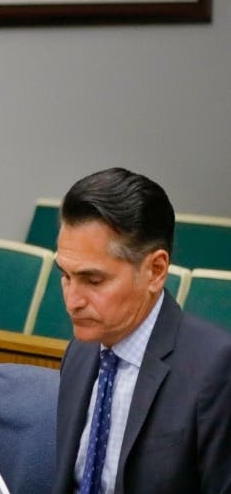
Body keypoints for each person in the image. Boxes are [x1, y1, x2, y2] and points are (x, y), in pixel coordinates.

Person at [52, 167, 231, 494]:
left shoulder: (216, 368)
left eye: (93, 280)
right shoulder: (80, 352)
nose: (72, 300)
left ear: (155, 271)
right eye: (65, 276)